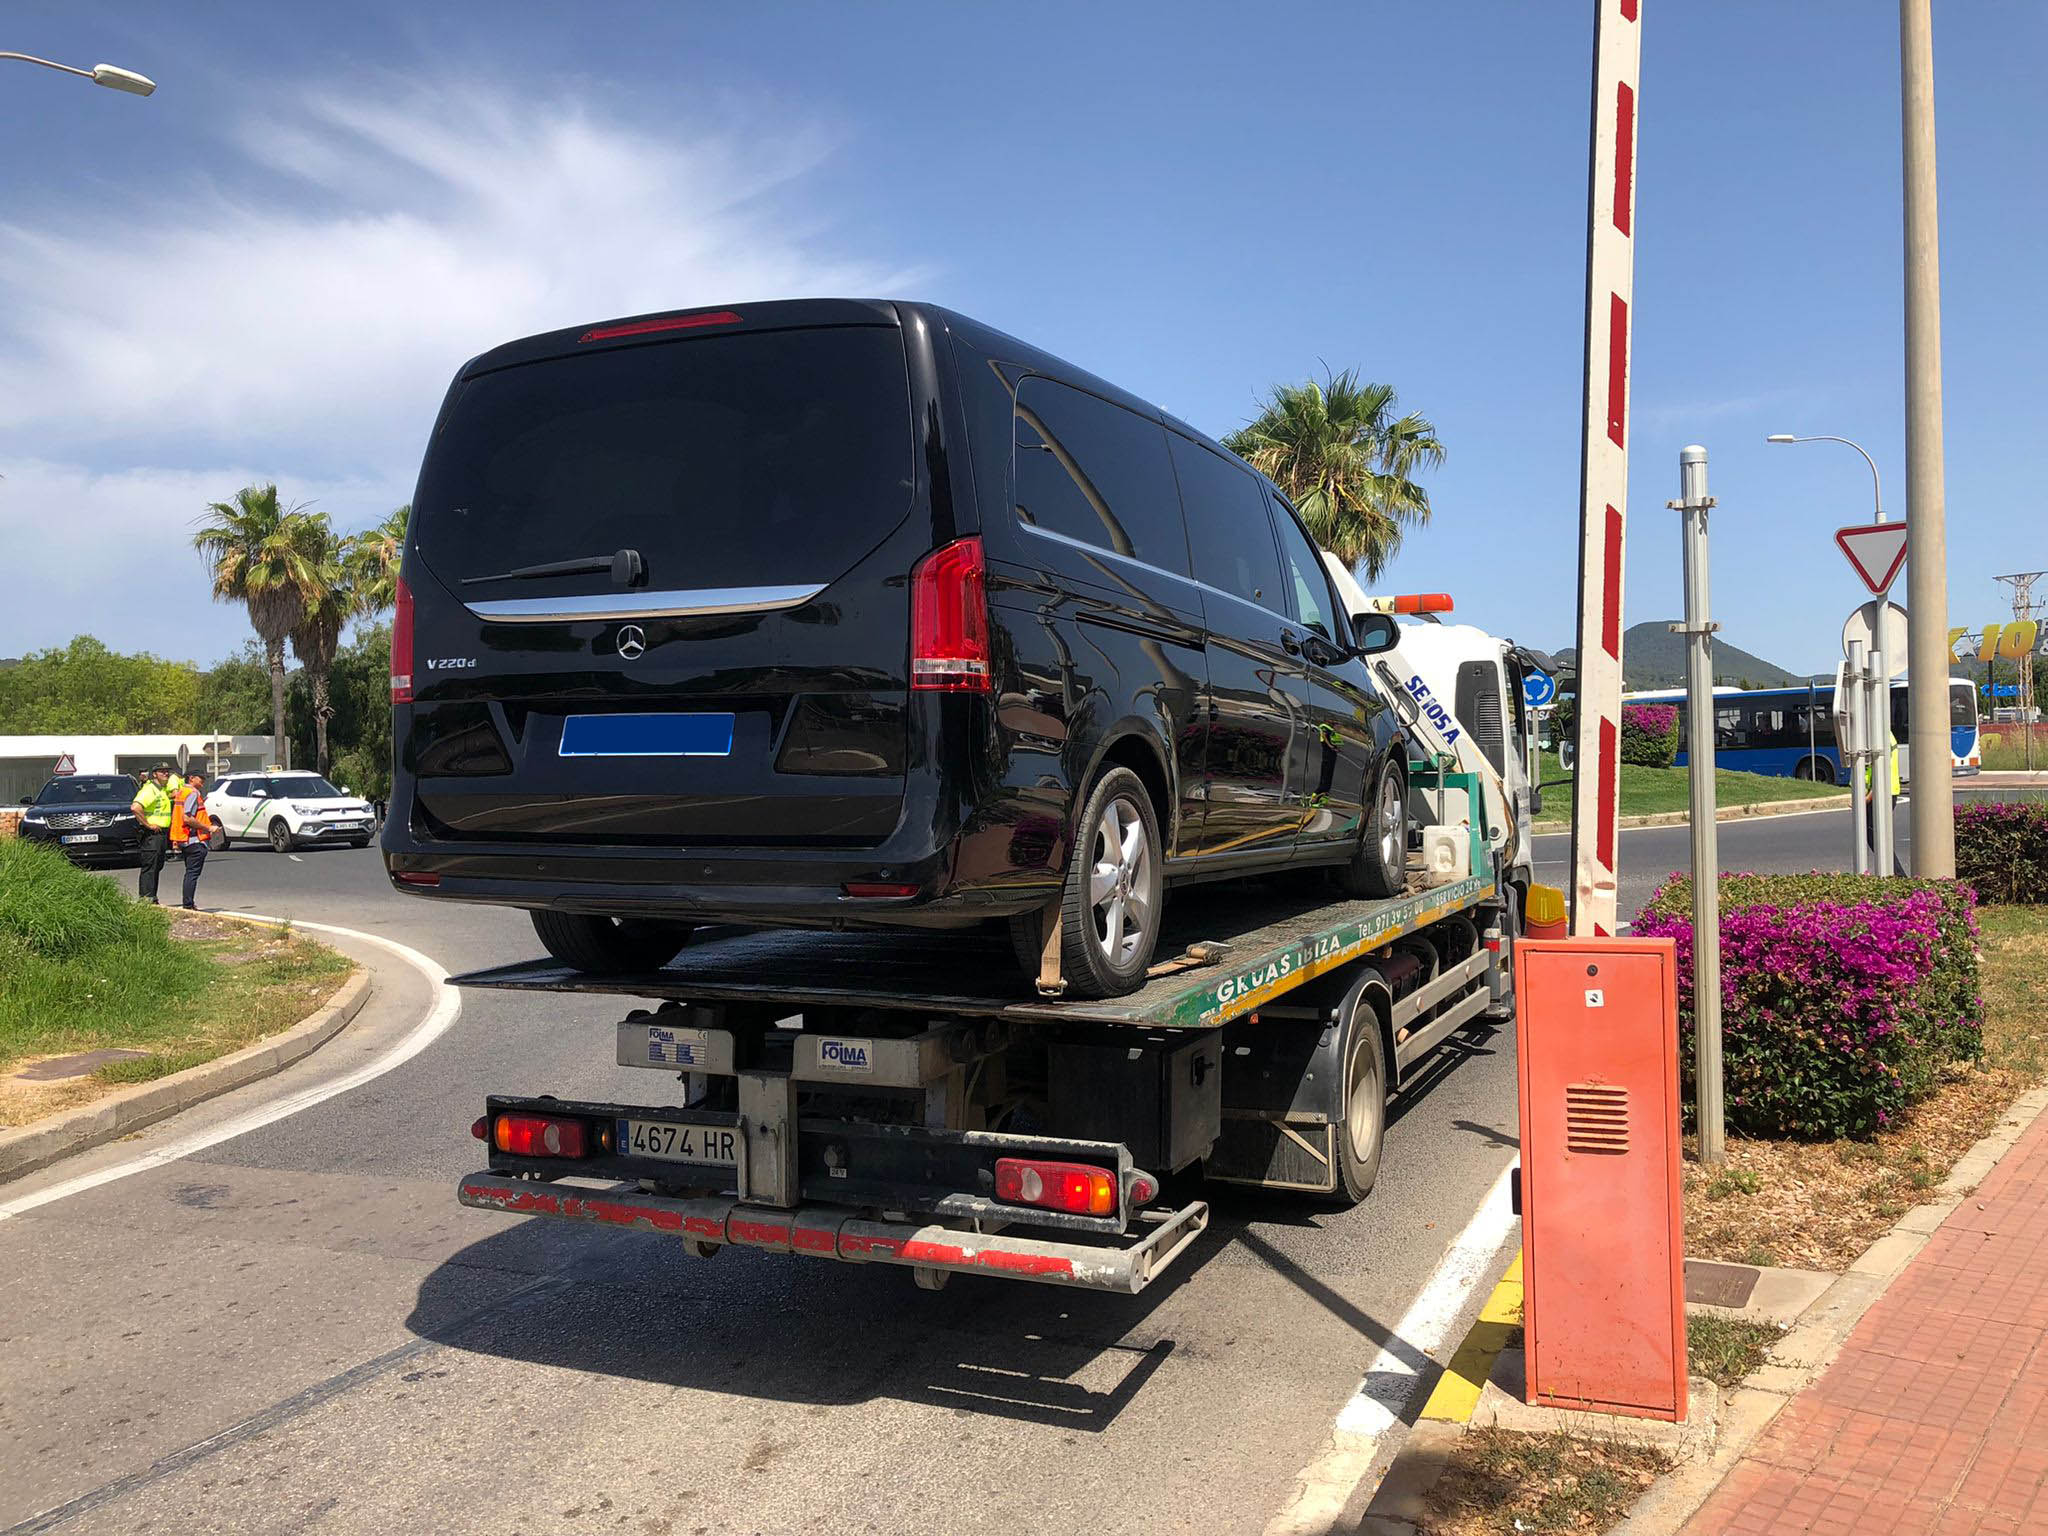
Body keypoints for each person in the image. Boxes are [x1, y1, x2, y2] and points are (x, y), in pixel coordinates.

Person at [168, 769, 214, 910]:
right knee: (192, 873)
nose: (203, 781)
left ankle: (188, 903)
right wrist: (208, 828)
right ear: (191, 778)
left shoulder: (182, 791)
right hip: (194, 839)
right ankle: (188, 904)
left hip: (183, 838)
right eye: (201, 778)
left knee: (190, 873)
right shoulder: (193, 793)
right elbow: (187, 818)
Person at [131, 764, 176, 903]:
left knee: (157, 865)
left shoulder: (161, 790)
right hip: (152, 835)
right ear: (154, 774)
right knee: (150, 866)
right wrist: (148, 825)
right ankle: (146, 898)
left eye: (167, 772)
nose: (166, 774)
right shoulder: (150, 789)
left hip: (161, 834)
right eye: (162, 772)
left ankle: (152, 897)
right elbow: (135, 807)